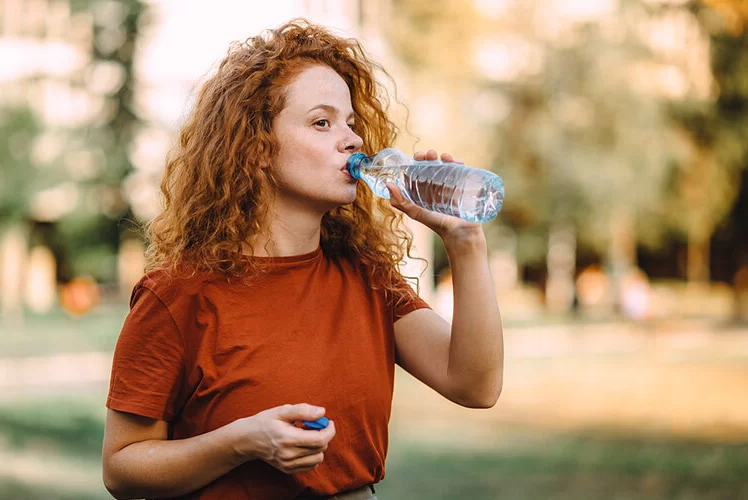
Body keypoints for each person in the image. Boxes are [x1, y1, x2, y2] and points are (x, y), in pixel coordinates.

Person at [101, 18, 504, 500]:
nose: (353, 140)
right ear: (256, 151)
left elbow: (475, 386)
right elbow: (122, 468)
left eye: (351, 124)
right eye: (322, 122)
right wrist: (241, 443)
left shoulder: (366, 279)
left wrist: (465, 243)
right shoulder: (178, 294)